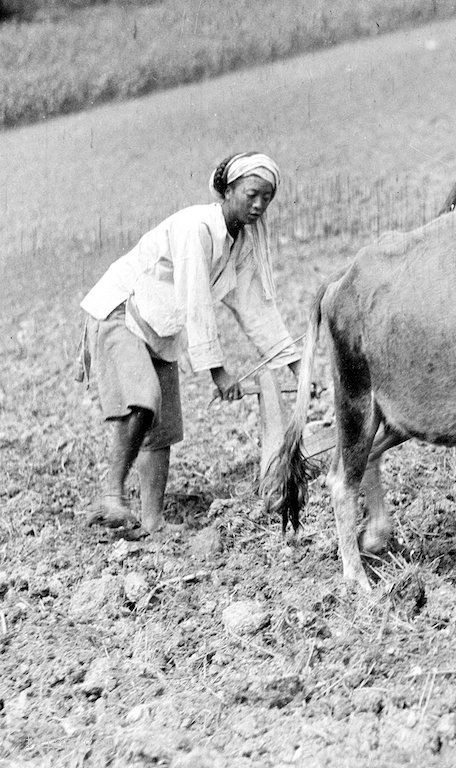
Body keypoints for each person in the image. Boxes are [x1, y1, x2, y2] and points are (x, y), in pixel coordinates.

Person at [79, 151, 302, 533]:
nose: (259, 204)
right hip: (123, 310)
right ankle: (110, 496)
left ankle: (152, 522)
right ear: (228, 190)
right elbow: (195, 299)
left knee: (163, 429)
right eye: (251, 194)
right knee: (144, 400)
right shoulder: (196, 228)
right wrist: (218, 372)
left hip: (161, 327)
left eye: (267, 197)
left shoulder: (240, 244)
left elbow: (256, 310)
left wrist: (300, 365)